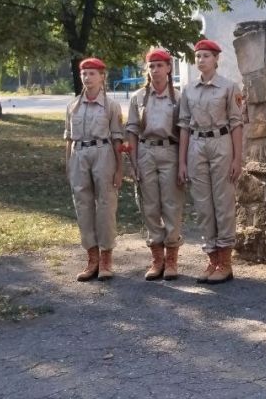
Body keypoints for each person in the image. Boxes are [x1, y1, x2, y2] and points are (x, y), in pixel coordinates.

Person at [177, 39, 243, 284]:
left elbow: (236, 123)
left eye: (206, 56)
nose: (201, 60)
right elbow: (183, 125)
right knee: (203, 205)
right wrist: (182, 161)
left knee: (223, 202)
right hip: (196, 144)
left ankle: (225, 261)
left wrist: (238, 157)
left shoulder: (229, 87)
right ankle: (212, 258)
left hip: (221, 143)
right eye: (198, 56)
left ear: (216, 59)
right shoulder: (189, 89)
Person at [64, 57, 124, 281]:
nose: (87, 77)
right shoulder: (73, 106)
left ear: (102, 77)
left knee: (106, 205)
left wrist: (119, 169)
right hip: (79, 155)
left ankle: (107, 258)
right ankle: (92, 258)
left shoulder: (111, 106)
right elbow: (69, 138)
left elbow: (117, 139)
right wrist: (68, 164)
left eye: (92, 73)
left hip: (103, 153)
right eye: (84, 73)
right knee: (83, 206)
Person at [126, 47, 184, 281]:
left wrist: (182, 162)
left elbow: (184, 131)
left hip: (170, 150)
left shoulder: (179, 97)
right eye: (152, 66)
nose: (156, 70)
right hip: (146, 151)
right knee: (149, 206)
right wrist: (133, 161)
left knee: (172, 205)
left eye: (160, 65)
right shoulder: (138, 97)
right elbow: (131, 130)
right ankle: (156, 258)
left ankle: (171, 259)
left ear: (169, 68)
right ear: (147, 70)